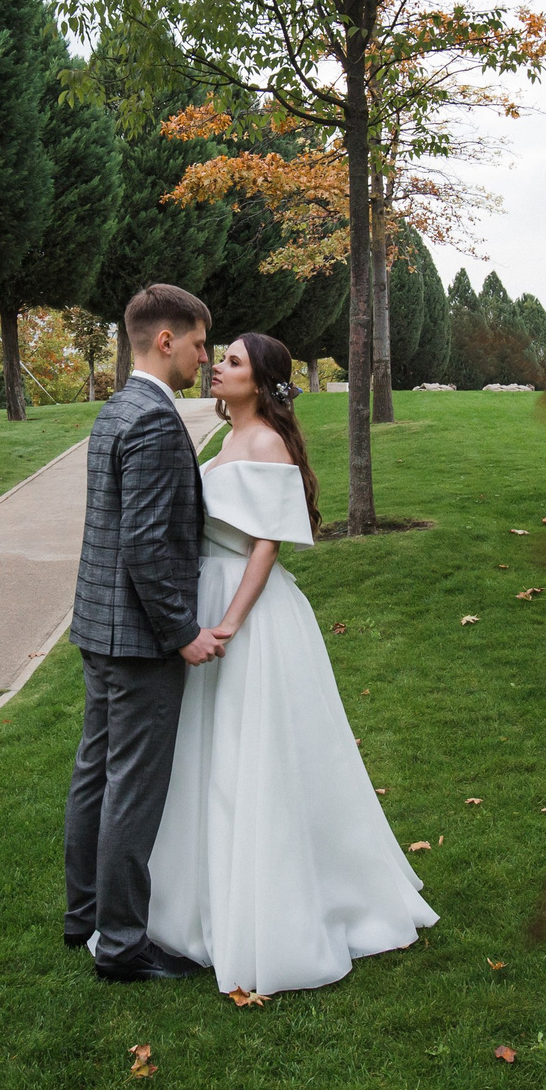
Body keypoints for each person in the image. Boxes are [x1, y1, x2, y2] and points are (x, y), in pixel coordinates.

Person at [145, 330, 436, 995]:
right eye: (220, 357)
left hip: (248, 613)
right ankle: (202, 898)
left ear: (262, 380)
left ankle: (278, 905)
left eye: (233, 361)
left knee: (255, 755)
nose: (217, 365)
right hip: (210, 596)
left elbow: (265, 547)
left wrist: (228, 622)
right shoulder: (224, 440)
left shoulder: (267, 443)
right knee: (210, 755)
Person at [64, 283, 219, 983]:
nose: (203, 356)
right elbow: (148, 544)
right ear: (166, 340)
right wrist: (181, 631)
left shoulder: (116, 407)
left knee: (95, 774)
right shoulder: (156, 421)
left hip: (100, 626)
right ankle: (122, 943)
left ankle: (84, 915)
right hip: (137, 640)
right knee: (130, 787)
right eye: (197, 343)